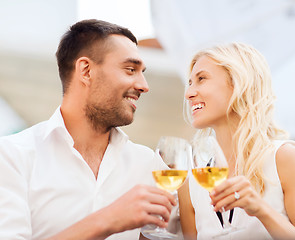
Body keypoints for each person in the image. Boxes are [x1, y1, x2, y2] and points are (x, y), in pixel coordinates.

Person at [0, 19, 176, 239]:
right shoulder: (12, 155)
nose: (144, 85)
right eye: (130, 69)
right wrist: (108, 219)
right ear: (86, 70)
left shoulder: (148, 163)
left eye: (142, 72)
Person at [178, 42, 295, 239]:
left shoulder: (284, 158)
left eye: (201, 79)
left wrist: (262, 210)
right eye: (190, 82)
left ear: (238, 83)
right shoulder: (190, 181)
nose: (188, 93)